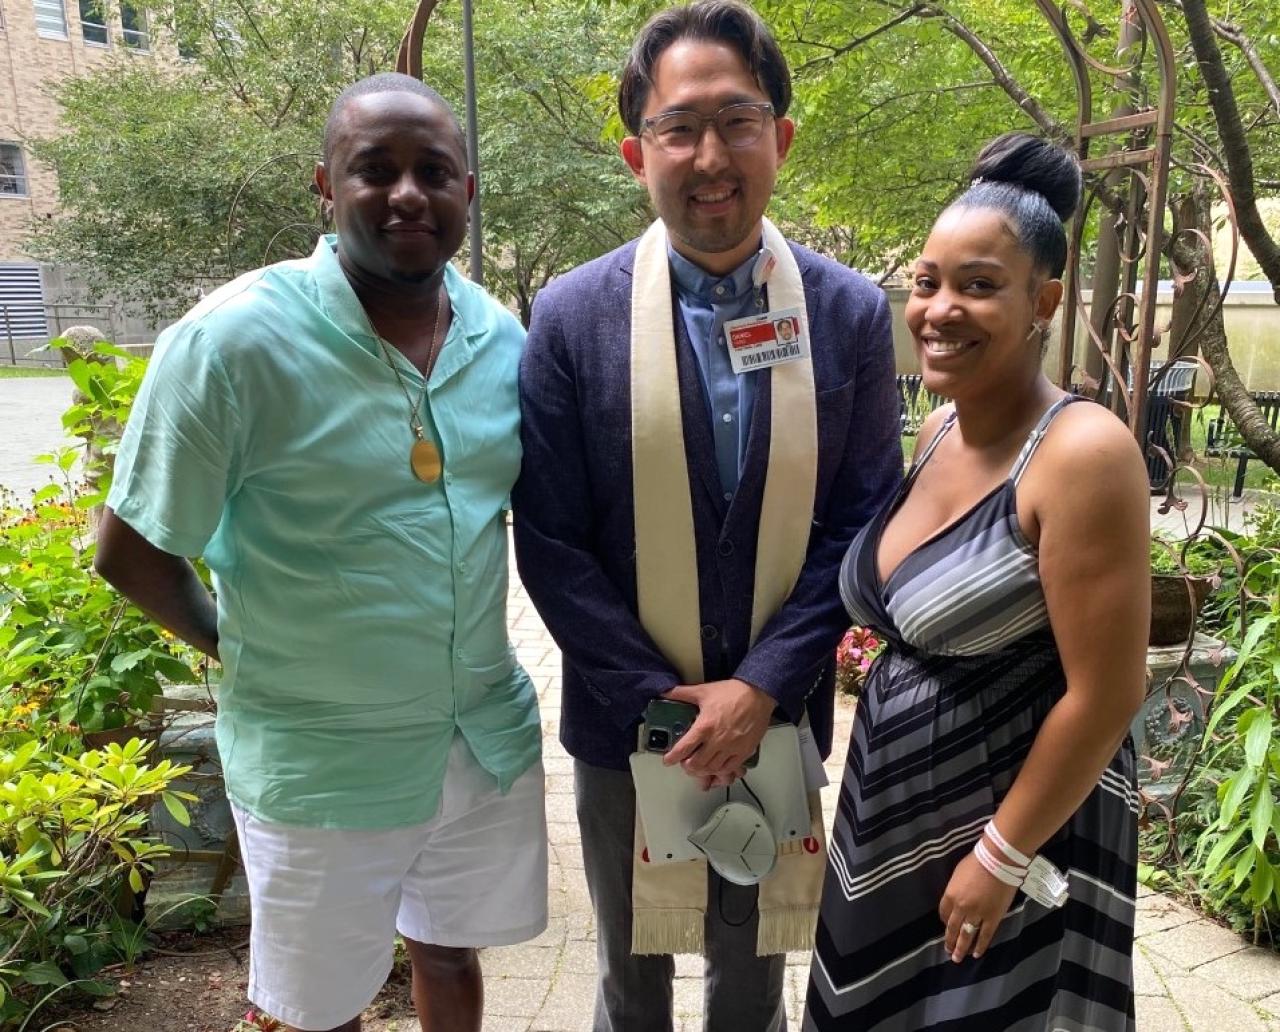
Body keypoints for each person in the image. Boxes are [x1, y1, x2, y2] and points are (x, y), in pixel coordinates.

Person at [94, 73, 546, 1032]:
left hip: (477, 739)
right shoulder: (231, 343)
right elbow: (130, 553)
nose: (407, 194)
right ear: (324, 185)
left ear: (468, 189)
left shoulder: (499, 338)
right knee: (316, 1009)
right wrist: (245, 651)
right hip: (322, 760)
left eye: (434, 171)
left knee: (452, 953)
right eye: (373, 170)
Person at [512, 3, 902, 1029]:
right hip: (619, 722)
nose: (709, 153)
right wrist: (662, 700)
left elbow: (860, 522)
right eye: (678, 127)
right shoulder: (569, 316)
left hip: (775, 723)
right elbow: (549, 536)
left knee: (751, 972)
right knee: (628, 978)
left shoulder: (849, 314)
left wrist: (760, 687)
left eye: (736, 120)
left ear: (779, 137)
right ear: (636, 151)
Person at [804, 132, 1149, 1031]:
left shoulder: (1082, 454)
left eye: (979, 285)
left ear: (1046, 300)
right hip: (896, 813)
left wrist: (1001, 855)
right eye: (927, 282)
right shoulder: (939, 433)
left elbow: (1109, 691)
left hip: (1012, 829)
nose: (939, 309)